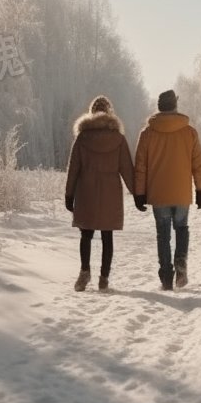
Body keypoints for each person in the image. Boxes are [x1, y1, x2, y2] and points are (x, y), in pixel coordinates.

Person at [133, 89, 201, 291]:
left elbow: (140, 166)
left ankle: (166, 275)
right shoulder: (189, 132)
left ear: (159, 107)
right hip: (182, 192)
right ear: (175, 106)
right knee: (181, 228)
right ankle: (181, 264)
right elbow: (198, 164)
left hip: (159, 193)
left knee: (163, 234)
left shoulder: (147, 134)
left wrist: (139, 194)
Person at [64, 95, 135, 292]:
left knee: (85, 235)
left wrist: (69, 195)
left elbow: (73, 169)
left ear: (91, 112)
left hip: (86, 191)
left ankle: (84, 272)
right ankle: (104, 277)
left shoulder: (82, 138)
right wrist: (138, 194)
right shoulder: (118, 139)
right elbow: (127, 169)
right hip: (110, 192)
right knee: (107, 236)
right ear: (109, 112)